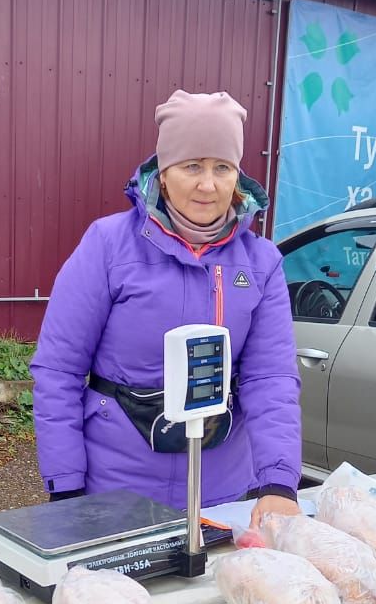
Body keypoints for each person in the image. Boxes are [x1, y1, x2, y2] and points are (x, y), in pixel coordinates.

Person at [30, 89, 302, 525]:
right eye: (192, 165)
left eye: (222, 168)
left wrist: (278, 483)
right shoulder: (108, 245)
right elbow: (58, 370)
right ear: (164, 169)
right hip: (117, 487)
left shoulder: (261, 262)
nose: (207, 185)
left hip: (222, 491)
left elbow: (270, 379)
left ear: (238, 175)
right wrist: (67, 486)